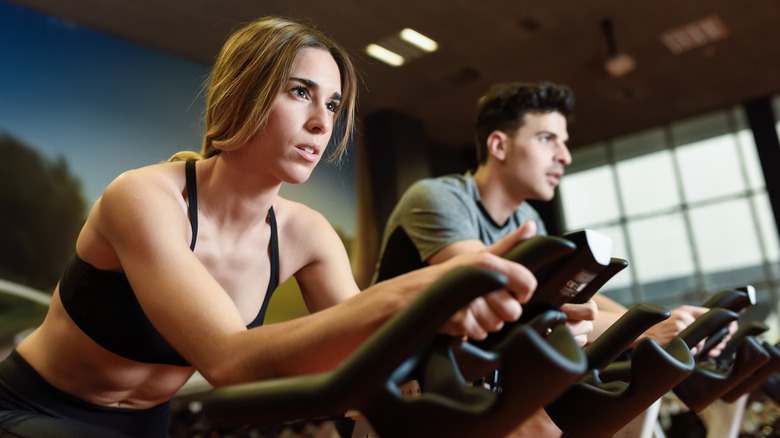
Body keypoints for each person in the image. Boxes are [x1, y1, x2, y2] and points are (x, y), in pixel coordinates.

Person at [0, 17, 539, 438]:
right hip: (31, 409)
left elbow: (367, 353)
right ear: (241, 94)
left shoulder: (308, 235)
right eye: (300, 92)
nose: (322, 122)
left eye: (332, 104)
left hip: (148, 426)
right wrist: (425, 288)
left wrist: (512, 324)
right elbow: (231, 361)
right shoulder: (142, 197)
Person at [372, 81, 732, 437]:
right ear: (499, 145)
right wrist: (644, 331)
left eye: (564, 142)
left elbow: (573, 294)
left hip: (467, 384)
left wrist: (664, 321)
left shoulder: (526, 220)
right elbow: (511, 304)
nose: (564, 155)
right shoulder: (438, 198)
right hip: (396, 390)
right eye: (547, 139)